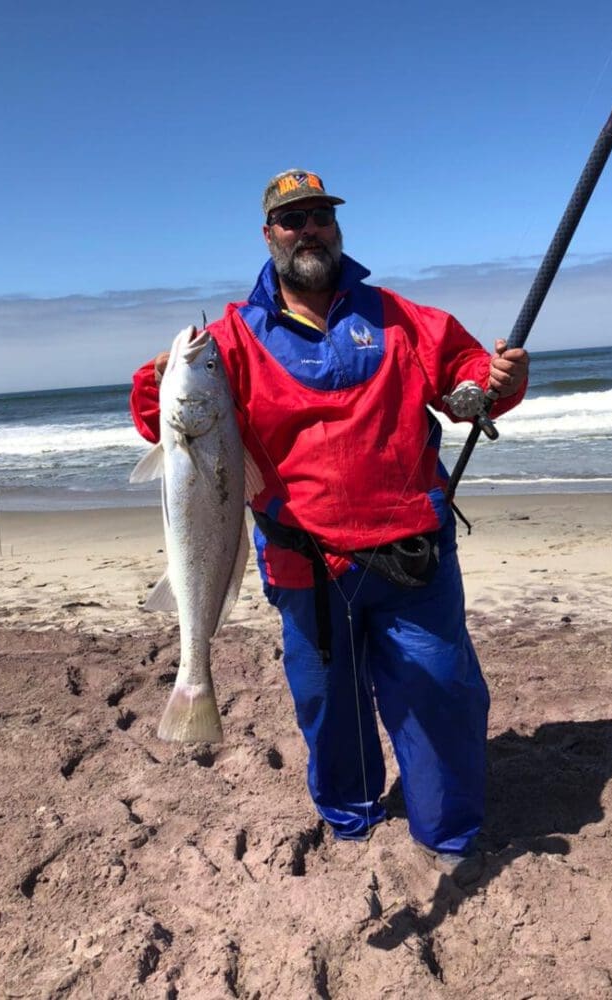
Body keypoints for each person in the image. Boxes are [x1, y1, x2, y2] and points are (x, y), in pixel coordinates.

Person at [130, 169, 529, 883]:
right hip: (302, 565)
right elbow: (164, 422)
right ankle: (353, 820)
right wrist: (156, 379)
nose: (308, 229)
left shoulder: (399, 317)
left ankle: (448, 832)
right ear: (269, 236)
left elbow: (466, 377)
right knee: (325, 703)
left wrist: (491, 383)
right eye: (292, 219)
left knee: (439, 692)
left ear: (336, 227)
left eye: (319, 215)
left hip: (411, 559)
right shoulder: (227, 341)